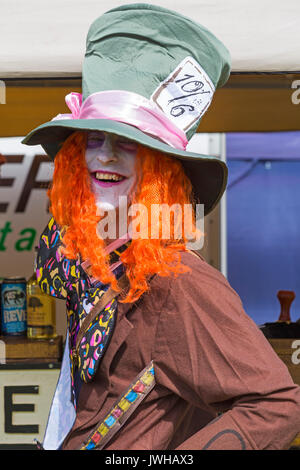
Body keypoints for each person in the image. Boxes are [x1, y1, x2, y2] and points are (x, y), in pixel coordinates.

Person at [22, 4, 300, 450]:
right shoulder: (94, 259)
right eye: (94, 139)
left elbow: (276, 404)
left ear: (160, 172)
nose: (105, 155)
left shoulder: (178, 282)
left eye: (129, 144)